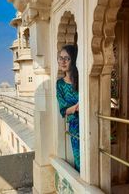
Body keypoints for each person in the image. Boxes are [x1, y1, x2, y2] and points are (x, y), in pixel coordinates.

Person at [56, 44, 80, 172]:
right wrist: (76, 107)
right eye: (61, 58)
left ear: (74, 60)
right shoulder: (60, 84)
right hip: (75, 127)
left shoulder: (82, 79)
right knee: (79, 160)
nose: (63, 61)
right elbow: (63, 110)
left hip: (91, 123)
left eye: (67, 58)